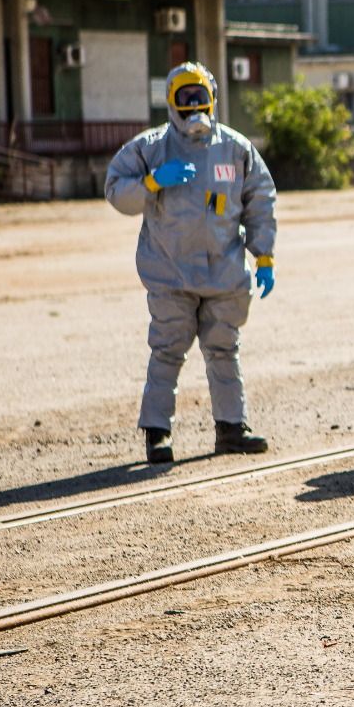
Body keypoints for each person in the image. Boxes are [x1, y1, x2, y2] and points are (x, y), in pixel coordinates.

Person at [104, 62, 276, 464]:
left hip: (224, 273)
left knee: (223, 349)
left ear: (213, 99)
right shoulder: (149, 148)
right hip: (170, 274)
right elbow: (115, 190)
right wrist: (150, 183)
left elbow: (261, 199)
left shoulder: (236, 149)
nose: (194, 105)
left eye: (201, 96)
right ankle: (157, 434)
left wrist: (264, 254)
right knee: (167, 351)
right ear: (171, 102)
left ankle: (232, 428)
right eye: (186, 98)